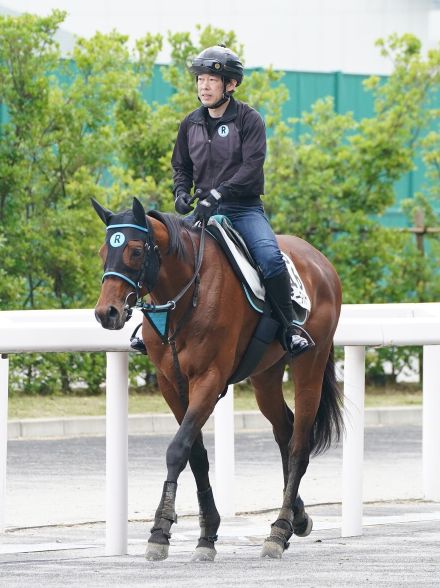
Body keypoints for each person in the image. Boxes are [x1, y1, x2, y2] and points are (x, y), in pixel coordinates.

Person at [170, 44, 312, 358]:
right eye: (200, 80)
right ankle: (153, 329)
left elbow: (251, 168)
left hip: (243, 208)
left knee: (271, 259)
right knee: (165, 252)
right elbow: (181, 166)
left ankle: (289, 328)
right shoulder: (189, 124)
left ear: (230, 84)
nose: (204, 86)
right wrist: (181, 193)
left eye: (211, 80)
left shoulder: (249, 120)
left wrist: (218, 195)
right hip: (203, 210)